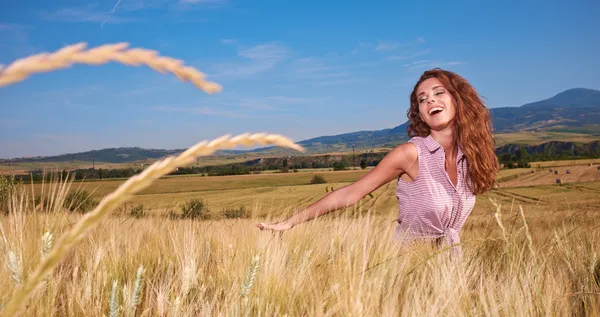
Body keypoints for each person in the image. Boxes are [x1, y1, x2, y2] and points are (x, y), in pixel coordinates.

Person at [256, 68, 499, 255]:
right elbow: (351, 194)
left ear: (458, 100)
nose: (430, 101)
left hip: (450, 265)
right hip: (407, 265)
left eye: (438, 93)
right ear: (420, 114)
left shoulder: (469, 158)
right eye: (422, 99)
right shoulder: (411, 154)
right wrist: (288, 223)